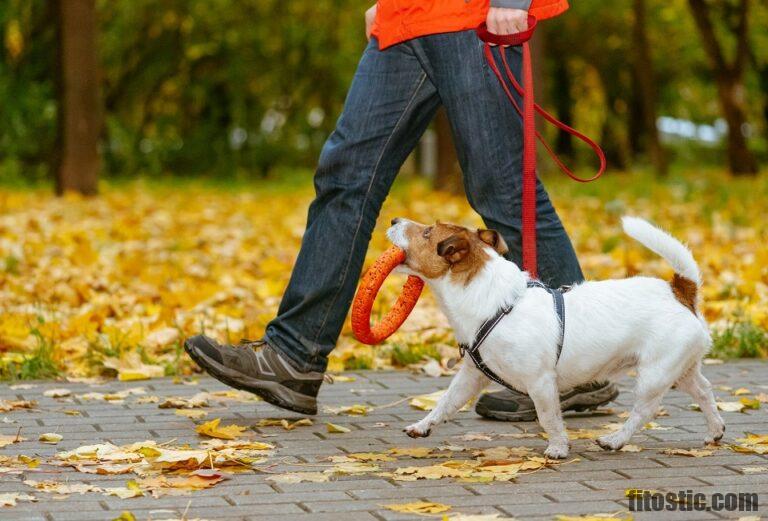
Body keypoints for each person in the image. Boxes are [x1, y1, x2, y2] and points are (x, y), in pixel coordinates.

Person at [184, 0, 618, 419]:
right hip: (405, 19)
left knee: (502, 191)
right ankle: (294, 355)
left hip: (475, 16)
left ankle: (575, 365)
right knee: (345, 176)